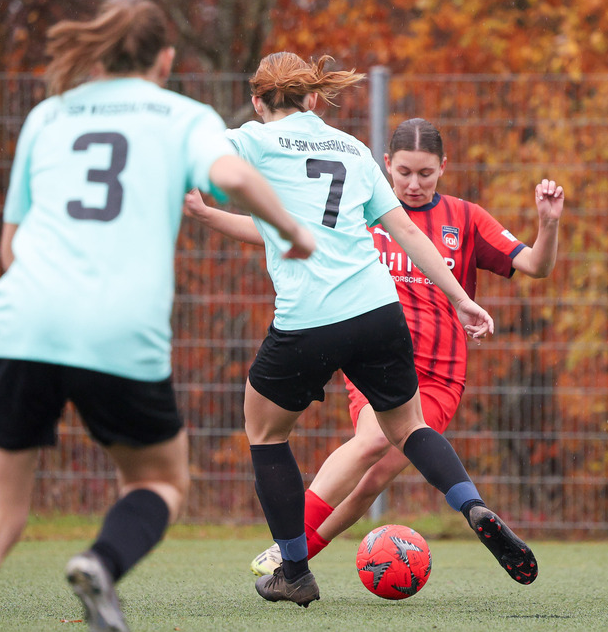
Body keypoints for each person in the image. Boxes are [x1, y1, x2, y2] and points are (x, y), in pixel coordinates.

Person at [0, 0, 313, 632]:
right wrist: (291, 229)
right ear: (165, 58)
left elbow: (10, 248)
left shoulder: (48, 116)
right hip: (118, 329)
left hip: (22, 322)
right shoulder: (183, 116)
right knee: (159, 483)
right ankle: (101, 563)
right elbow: (232, 173)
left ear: (99, 49)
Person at [185, 52, 538, 609]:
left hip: (308, 317)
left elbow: (204, 167)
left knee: (266, 430)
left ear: (258, 101)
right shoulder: (351, 148)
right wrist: (462, 299)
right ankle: (470, 504)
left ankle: (295, 570)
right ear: (313, 99)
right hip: (378, 310)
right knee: (408, 427)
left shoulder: (251, 138)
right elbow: (406, 234)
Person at [241, 118, 565, 575]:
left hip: (440, 376)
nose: (414, 184)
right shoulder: (360, 211)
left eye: (426, 174)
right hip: (376, 360)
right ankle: (290, 552)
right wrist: (206, 214)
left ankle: (295, 556)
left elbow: (535, 264)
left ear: (443, 168)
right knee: (372, 441)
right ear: (386, 165)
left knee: (373, 476)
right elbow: (274, 230)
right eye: (405, 173)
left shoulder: (465, 218)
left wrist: (548, 224)